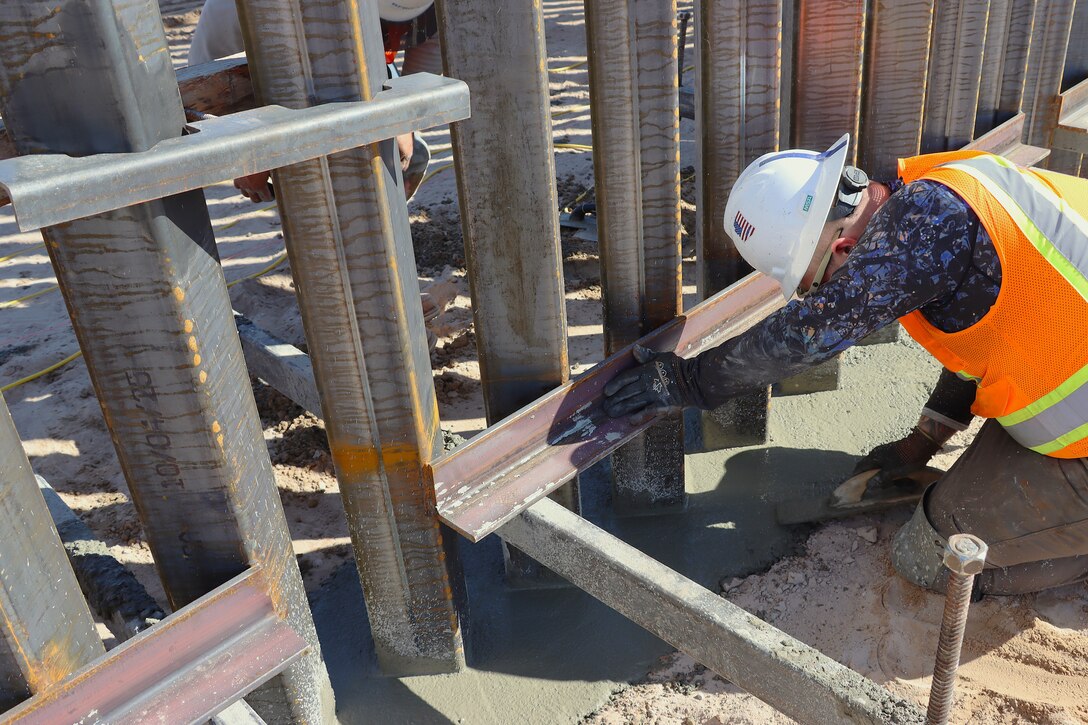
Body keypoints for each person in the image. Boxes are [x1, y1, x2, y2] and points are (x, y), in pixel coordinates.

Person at [603, 133, 1088, 597]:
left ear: (845, 250)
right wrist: (923, 441)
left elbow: (810, 332)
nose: (823, 294)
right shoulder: (949, 196)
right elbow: (984, 339)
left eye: (818, 283)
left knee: (931, 558)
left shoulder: (929, 222)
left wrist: (687, 381)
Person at [187, 0, 440, 201]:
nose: (395, 38)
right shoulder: (244, 15)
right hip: (258, 57)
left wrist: (404, 120)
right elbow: (213, 94)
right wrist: (251, 153)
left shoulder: (439, 11)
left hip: (346, 46)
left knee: (395, 146)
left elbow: (428, 55)